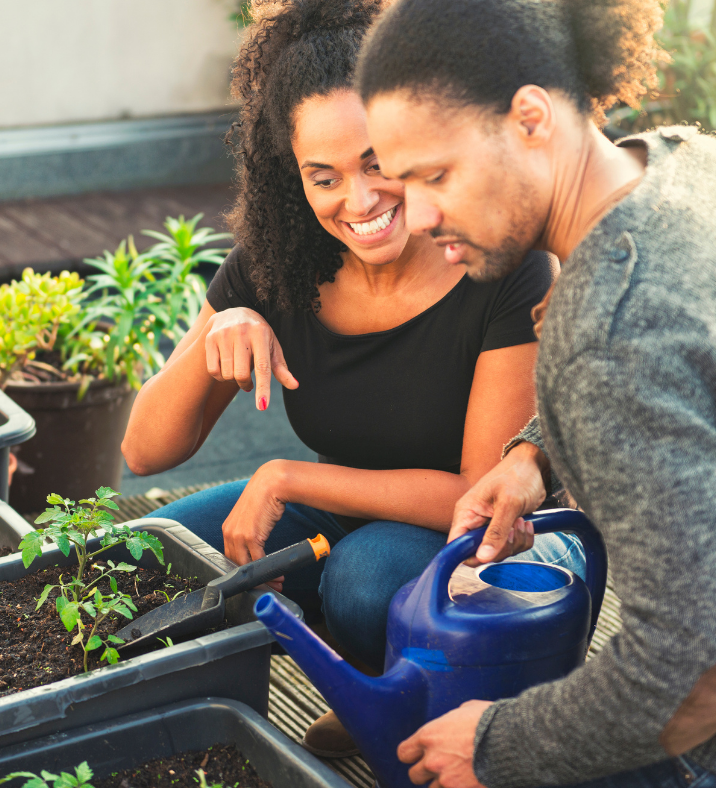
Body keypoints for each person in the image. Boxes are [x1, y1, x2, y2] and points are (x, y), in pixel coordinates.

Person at [121, 0, 584, 759]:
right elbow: (144, 450)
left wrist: (284, 477)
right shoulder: (282, 258)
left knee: (367, 585)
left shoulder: (501, 258)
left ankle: (406, 699)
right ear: (290, 175)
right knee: (141, 554)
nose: (358, 201)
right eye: (323, 176)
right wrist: (221, 325)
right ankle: (355, 679)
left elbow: (476, 493)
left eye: (377, 161)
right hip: (347, 509)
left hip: (505, 545)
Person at [357, 0, 716, 786]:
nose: (415, 216)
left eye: (436, 176)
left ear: (530, 118)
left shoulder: (606, 334)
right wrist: (534, 453)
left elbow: (690, 678)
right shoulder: (682, 164)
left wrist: (492, 746)